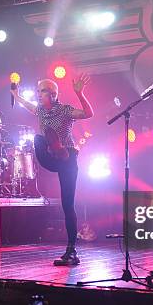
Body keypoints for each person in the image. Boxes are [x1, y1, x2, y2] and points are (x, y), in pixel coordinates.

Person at [10, 74, 93, 266]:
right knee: (37, 139)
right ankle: (54, 149)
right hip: (51, 159)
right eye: (38, 91)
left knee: (67, 204)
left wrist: (80, 93)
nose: (38, 95)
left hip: (68, 159)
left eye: (42, 91)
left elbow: (88, 113)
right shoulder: (40, 110)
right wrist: (17, 95)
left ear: (53, 94)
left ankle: (71, 249)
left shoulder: (64, 110)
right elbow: (28, 106)